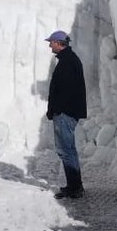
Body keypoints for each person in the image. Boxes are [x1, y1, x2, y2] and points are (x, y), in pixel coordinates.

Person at [45, 30, 86, 199]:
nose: (49, 45)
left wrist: (57, 109)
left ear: (59, 42)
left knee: (65, 150)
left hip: (65, 113)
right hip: (67, 112)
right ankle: (75, 186)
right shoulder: (69, 59)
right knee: (69, 150)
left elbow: (65, 91)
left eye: (51, 42)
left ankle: (74, 188)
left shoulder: (67, 62)